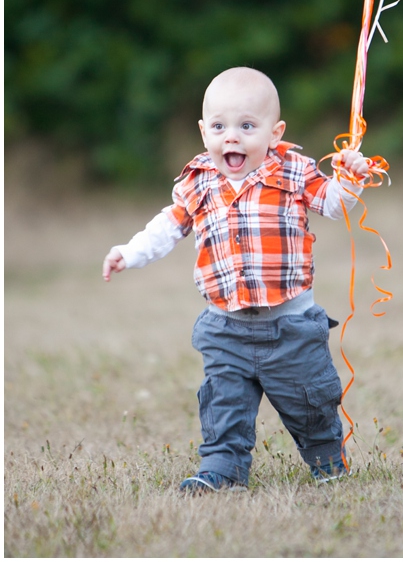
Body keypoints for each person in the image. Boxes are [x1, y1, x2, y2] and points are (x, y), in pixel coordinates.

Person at [102, 66, 369, 493]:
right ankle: (222, 469)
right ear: (203, 131)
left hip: (291, 326)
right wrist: (129, 253)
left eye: (247, 126)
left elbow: (336, 205)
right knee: (223, 404)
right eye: (219, 126)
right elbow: (167, 228)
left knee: (310, 402)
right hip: (225, 328)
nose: (232, 137)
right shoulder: (199, 182)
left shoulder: (293, 172)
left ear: (274, 133)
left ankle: (327, 461)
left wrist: (351, 175)